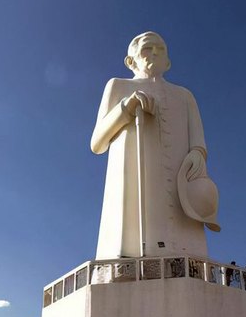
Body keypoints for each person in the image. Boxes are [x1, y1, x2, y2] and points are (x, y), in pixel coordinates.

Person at [91, 32, 219, 259]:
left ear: (168, 61)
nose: (155, 53)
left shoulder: (184, 95)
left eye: (161, 49)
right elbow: (97, 142)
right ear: (131, 61)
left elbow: (198, 140)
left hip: (180, 178)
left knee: (184, 242)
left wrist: (198, 153)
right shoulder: (118, 86)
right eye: (148, 48)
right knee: (133, 232)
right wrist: (125, 108)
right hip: (135, 177)